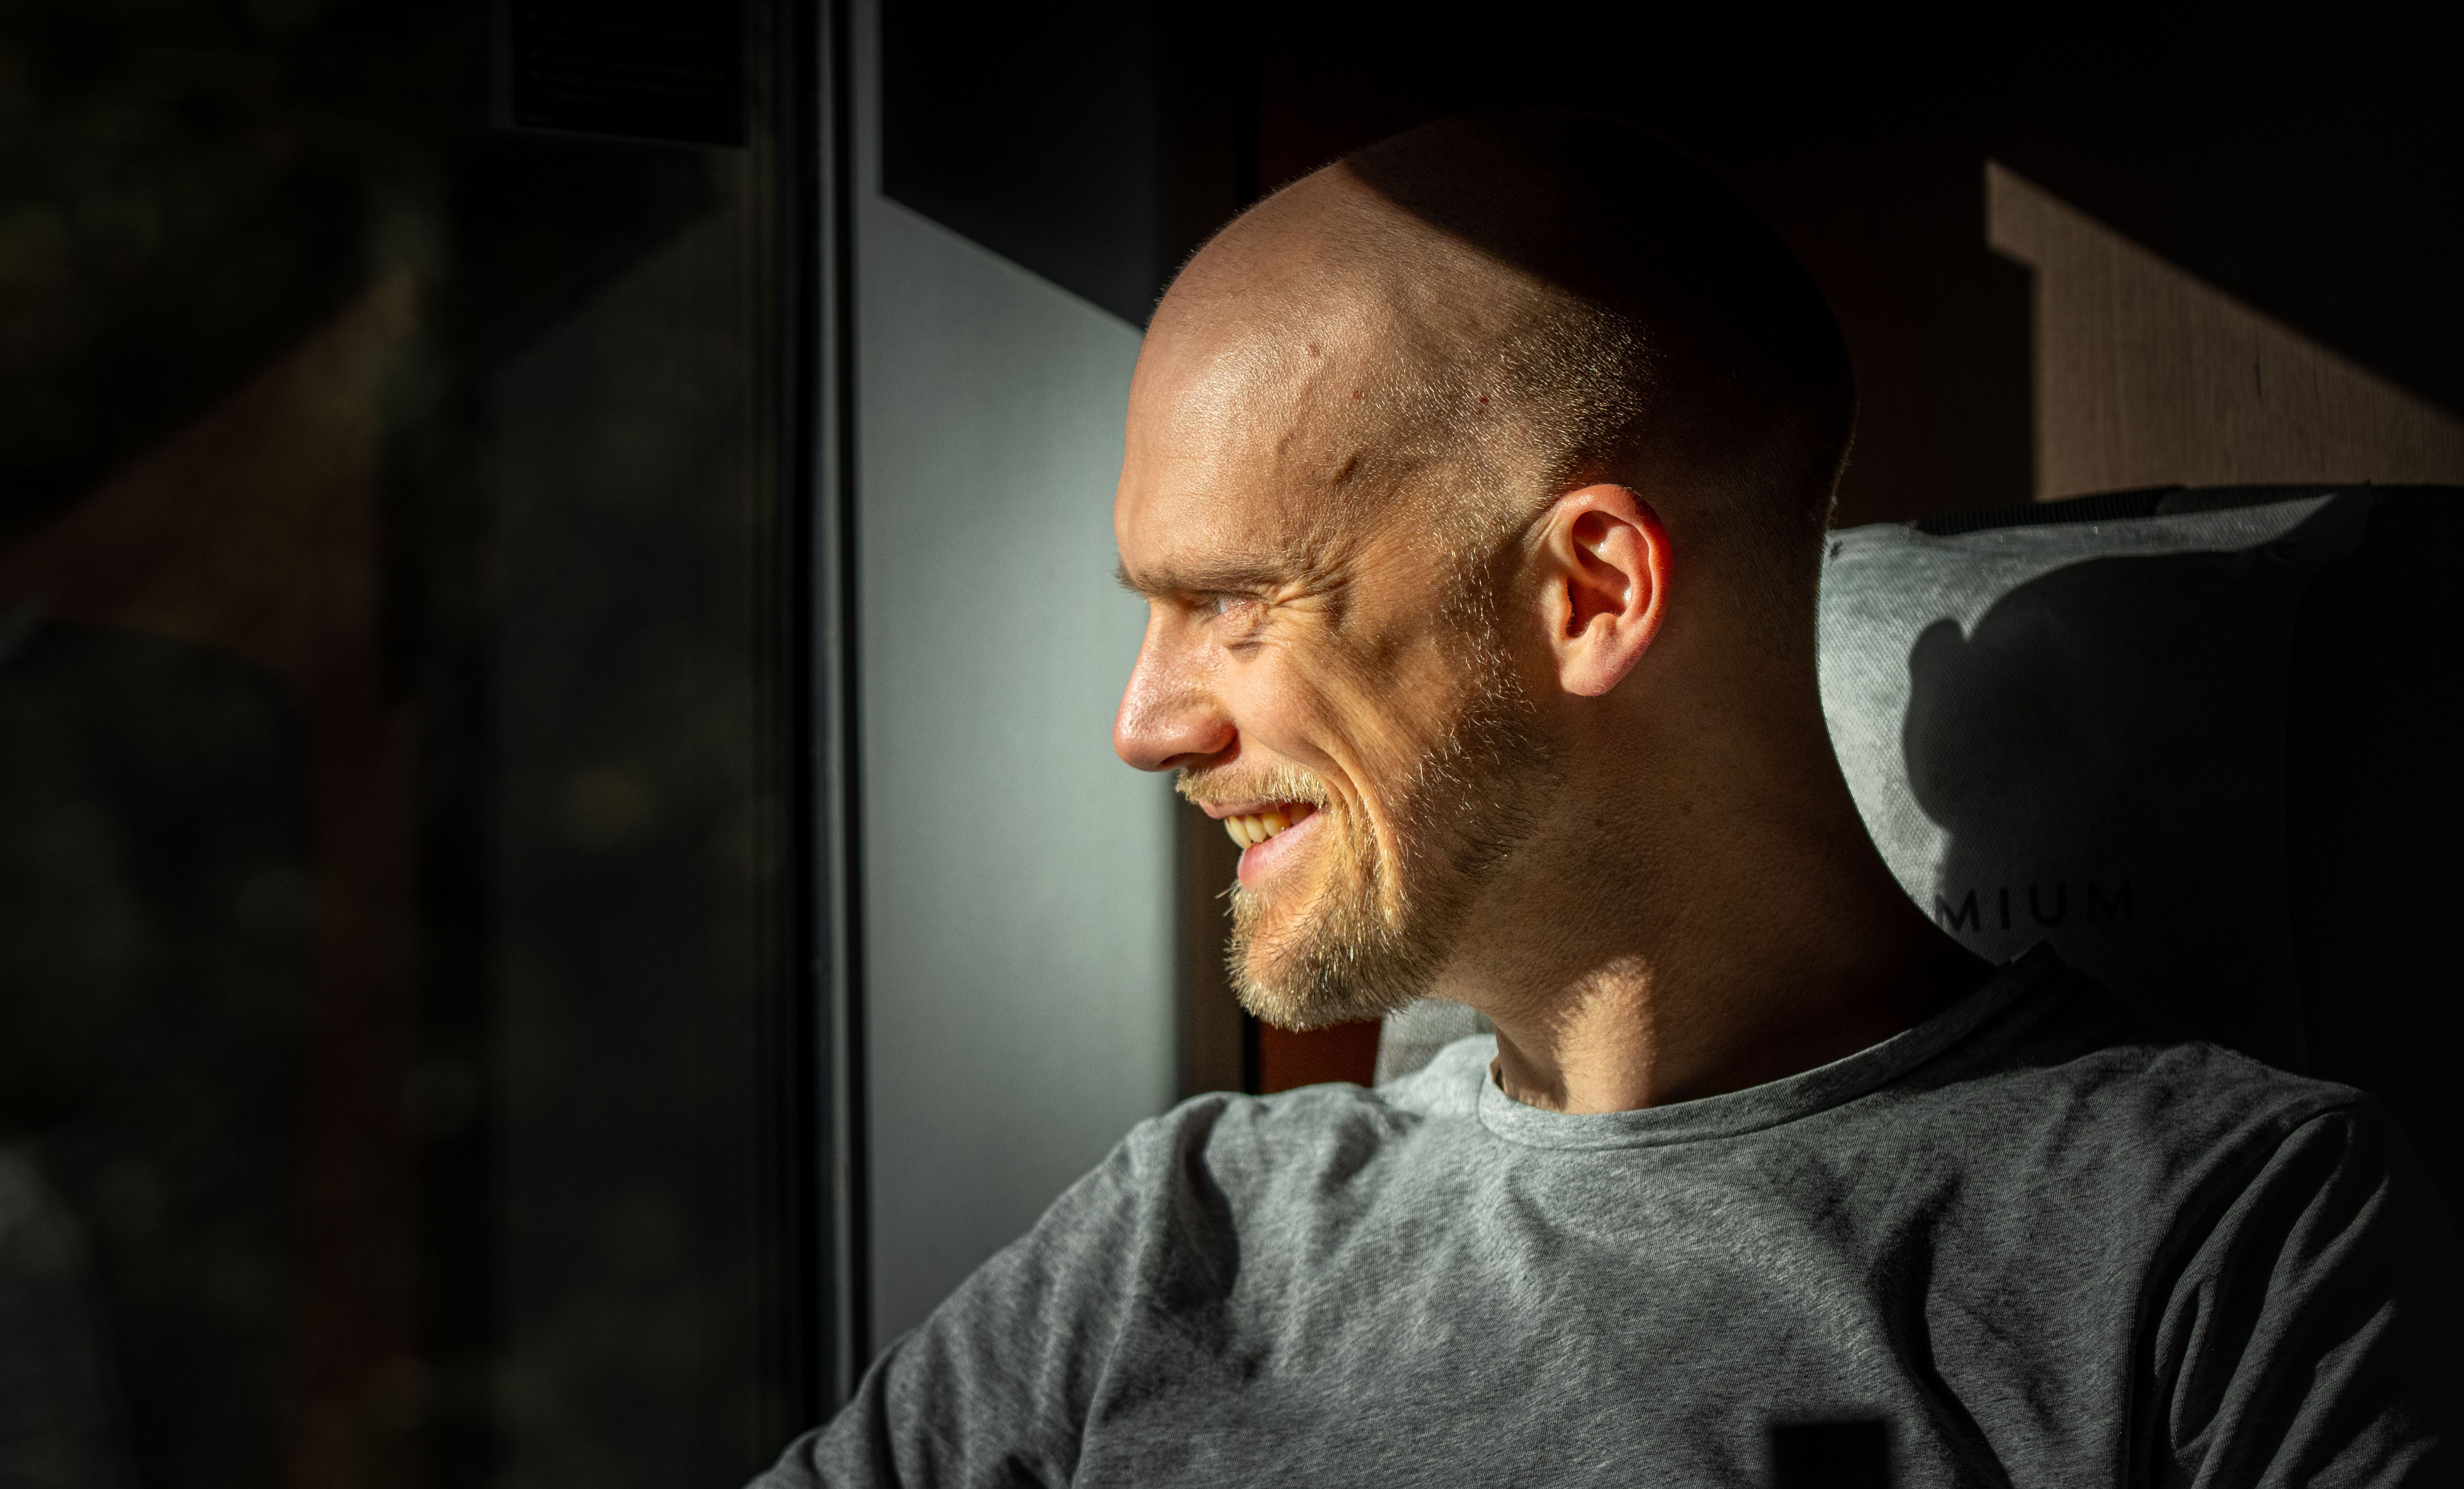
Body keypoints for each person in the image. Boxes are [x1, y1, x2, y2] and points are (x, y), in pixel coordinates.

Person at [756, 112, 2456, 1486]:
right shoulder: (1168, 1235)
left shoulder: (2214, 1242)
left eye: (1234, 603)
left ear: (1590, 593)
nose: (1144, 724)